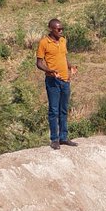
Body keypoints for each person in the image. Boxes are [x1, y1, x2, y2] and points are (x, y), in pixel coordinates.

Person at [35, 17, 78, 150]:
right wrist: (50, 71)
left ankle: (63, 137)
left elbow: (63, 57)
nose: (61, 31)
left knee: (64, 109)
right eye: (58, 29)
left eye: (62, 29)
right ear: (51, 29)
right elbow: (39, 63)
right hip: (53, 80)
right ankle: (54, 139)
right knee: (54, 110)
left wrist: (70, 67)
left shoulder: (63, 40)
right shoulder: (44, 42)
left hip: (65, 80)